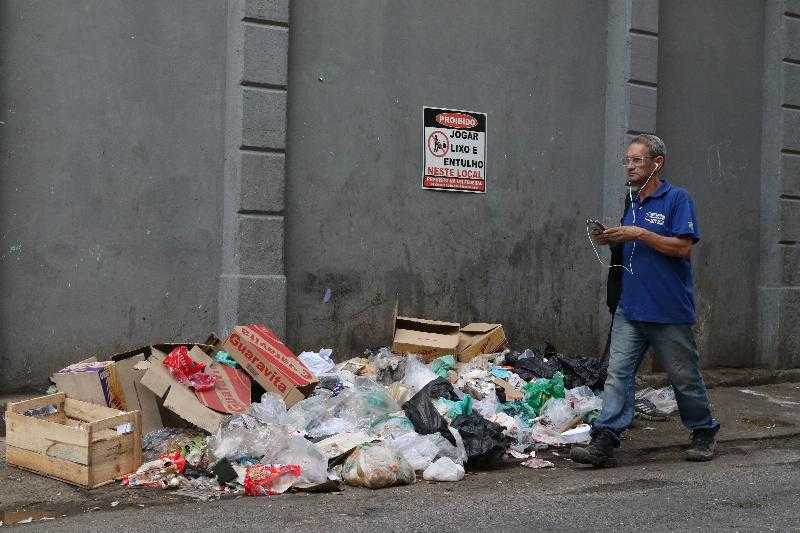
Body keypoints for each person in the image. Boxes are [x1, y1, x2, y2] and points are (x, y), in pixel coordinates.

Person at [571, 134, 720, 467]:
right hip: (631, 307)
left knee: (683, 377)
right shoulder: (633, 201)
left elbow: (682, 247)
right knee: (618, 375)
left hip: (668, 310)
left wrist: (638, 233)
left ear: (657, 163)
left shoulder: (677, 199)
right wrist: (611, 238)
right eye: (627, 160)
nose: (630, 166)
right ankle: (605, 439)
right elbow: (635, 247)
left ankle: (703, 430)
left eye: (637, 160)